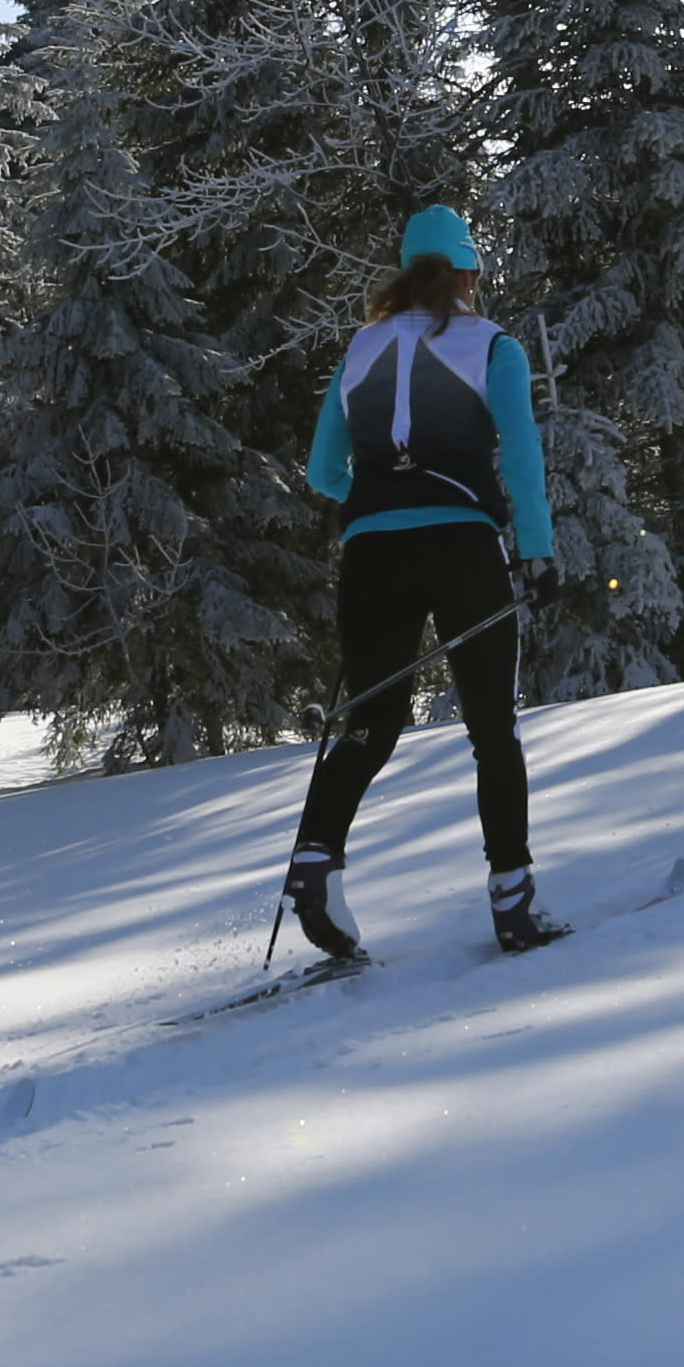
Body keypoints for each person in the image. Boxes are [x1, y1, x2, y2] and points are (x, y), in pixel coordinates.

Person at [281, 206, 565, 963]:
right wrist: (536, 553)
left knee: (369, 725)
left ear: (405, 273)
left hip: (373, 552)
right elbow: (524, 457)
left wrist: (374, 490)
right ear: (468, 271)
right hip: (463, 547)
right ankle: (512, 897)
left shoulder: (360, 349)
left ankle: (315, 858)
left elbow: (321, 471)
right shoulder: (492, 346)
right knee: (490, 728)